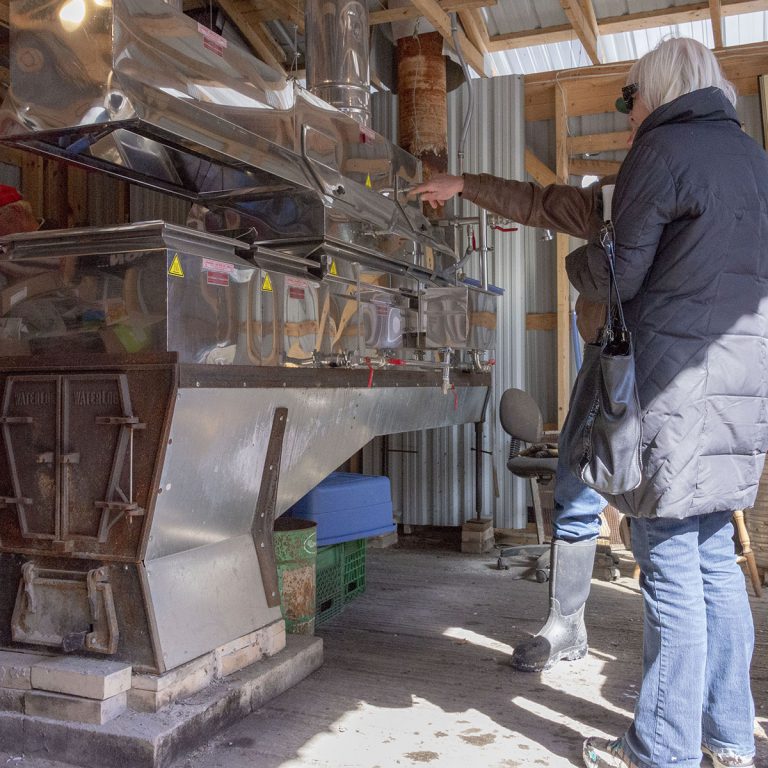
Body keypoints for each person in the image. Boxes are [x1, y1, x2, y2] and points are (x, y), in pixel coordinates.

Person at [565, 38, 764, 768]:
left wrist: (577, 261)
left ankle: (661, 750)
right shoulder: (753, 161)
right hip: (738, 395)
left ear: (660, 91)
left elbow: (618, 271)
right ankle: (731, 740)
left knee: (671, 568)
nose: (628, 119)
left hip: (672, 395)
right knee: (716, 564)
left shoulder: (662, 151)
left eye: (630, 100)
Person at [409, 171, 613, 673]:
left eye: (636, 103)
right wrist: (464, 185)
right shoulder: (615, 192)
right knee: (578, 484)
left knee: (666, 511)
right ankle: (567, 627)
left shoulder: (706, 182)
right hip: (610, 352)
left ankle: (694, 694)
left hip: (668, 363)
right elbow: (539, 201)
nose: (630, 116)